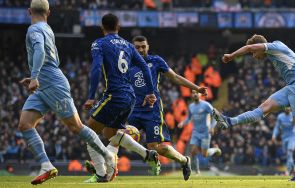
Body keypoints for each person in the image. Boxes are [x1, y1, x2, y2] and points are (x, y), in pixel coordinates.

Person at [85, 35, 208, 181]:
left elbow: (175, 77)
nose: (141, 50)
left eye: (143, 46)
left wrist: (197, 88)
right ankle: (105, 169)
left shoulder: (155, 61)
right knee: (115, 138)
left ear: (148, 47)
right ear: (132, 48)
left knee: (156, 147)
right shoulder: (126, 63)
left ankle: (184, 161)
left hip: (152, 111)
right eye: (137, 47)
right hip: (132, 109)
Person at [19, 0, 114, 185]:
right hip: (43, 85)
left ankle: (108, 155)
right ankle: (46, 165)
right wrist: (34, 78)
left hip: (52, 83)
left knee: (76, 127)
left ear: (29, 11)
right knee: (25, 124)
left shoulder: (34, 30)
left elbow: (39, 50)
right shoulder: (47, 28)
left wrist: (35, 75)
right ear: (49, 12)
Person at [212, 34, 295, 181]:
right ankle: (229, 121)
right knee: (264, 107)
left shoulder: (273, 47)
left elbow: (249, 47)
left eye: (254, 53)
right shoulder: (273, 51)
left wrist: (231, 56)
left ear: (260, 47)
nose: (253, 55)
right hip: (292, 86)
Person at [82, 14, 160, 183]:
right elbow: (145, 68)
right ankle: (147, 154)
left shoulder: (99, 44)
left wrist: (91, 96)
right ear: (119, 27)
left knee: (88, 133)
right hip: (130, 97)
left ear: (102, 28)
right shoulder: (128, 45)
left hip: (114, 95)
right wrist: (150, 91)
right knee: (110, 133)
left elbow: (96, 69)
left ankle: (102, 173)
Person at [178, 90, 221, 175]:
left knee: (205, 154)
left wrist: (212, 127)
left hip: (205, 132)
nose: (194, 94)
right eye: (193, 93)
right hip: (196, 132)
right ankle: (197, 171)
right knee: (193, 151)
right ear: (191, 95)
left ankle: (215, 149)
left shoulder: (206, 105)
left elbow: (216, 116)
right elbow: (189, 118)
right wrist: (183, 123)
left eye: (196, 93)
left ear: (200, 94)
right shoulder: (191, 107)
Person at [272, 108, 295, 176]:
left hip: (292, 137)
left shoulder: (294, 116)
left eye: (289, 107)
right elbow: (277, 127)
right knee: (288, 155)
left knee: (289, 152)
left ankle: (287, 171)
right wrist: (274, 135)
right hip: (284, 138)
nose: (287, 109)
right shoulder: (280, 116)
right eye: (286, 107)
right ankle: (294, 168)